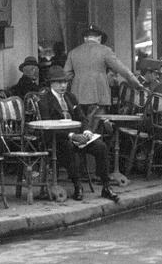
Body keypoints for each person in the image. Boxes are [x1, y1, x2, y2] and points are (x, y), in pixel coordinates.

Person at [37, 66, 120, 202]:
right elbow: (47, 125)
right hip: (57, 139)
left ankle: (106, 186)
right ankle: (77, 186)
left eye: (65, 82)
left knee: (101, 147)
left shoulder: (71, 97)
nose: (63, 85)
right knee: (70, 149)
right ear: (51, 83)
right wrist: (71, 136)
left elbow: (82, 118)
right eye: (59, 82)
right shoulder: (44, 100)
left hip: (78, 137)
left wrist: (87, 131)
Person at [64, 24, 142, 129]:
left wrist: (80, 78)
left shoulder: (73, 53)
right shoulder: (105, 50)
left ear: (85, 38)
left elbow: (66, 74)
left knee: (81, 127)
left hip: (77, 96)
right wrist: (136, 84)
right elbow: (122, 70)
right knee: (94, 129)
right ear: (99, 38)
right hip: (98, 95)